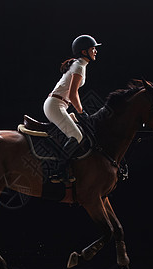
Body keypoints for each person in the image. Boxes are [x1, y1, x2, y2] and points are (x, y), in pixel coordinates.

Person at [43, 34, 101, 183]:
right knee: (77, 136)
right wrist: (81, 112)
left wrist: (80, 113)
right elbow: (72, 93)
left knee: (81, 130)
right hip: (55, 105)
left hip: (59, 104)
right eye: (93, 48)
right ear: (84, 52)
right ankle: (57, 171)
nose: (95, 51)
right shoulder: (79, 66)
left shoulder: (79, 65)